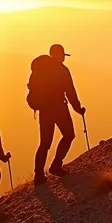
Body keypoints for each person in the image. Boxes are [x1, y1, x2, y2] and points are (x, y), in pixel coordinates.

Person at [26, 44, 85, 185]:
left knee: (45, 143)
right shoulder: (62, 70)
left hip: (44, 110)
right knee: (69, 135)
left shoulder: (40, 69)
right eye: (63, 55)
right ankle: (56, 165)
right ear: (59, 55)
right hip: (59, 108)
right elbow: (70, 91)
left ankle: (38, 175)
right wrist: (78, 108)